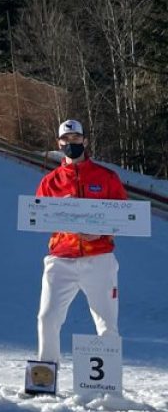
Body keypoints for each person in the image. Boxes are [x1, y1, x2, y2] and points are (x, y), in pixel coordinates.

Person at [35, 119, 128, 364]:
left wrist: (101, 233)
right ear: (59, 143)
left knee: (107, 323)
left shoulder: (107, 177)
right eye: (65, 140)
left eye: (76, 139)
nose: (71, 143)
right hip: (61, 259)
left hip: (99, 259)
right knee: (47, 318)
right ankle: (45, 377)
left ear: (85, 141)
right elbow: (38, 218)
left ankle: (107, 387)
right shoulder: (50, 182)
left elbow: (124, 218)